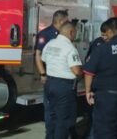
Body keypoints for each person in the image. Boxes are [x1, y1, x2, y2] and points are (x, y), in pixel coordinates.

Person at [41, 21, 83, 139]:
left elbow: (43, 59)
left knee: (52, 116)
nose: (75, 36)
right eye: (75, 33)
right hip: (64, 87)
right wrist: (82, 72)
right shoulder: (70, 48)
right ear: (71, 32)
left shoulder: (50, 44)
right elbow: (76, 71)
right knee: (64, 119)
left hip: (49, 84)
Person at [35, 9, 69, 138]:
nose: (68, 23)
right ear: (60, 21)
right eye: (67, 20)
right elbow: (38, 55)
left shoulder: (63, 34)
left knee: (62, 110)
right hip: (51, 77)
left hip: (63, 77)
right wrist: (43, 74)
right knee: (50, 110)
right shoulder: (46, 34)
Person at [84, 21, 110, 139]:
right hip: (97, 85)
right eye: (102, 35)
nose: (104, 37)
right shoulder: (97, 43)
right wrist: (88, 90)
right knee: (94, 116)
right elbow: (88, 63)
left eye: (106, 35)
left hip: (109, 87)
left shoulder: (114, 44)